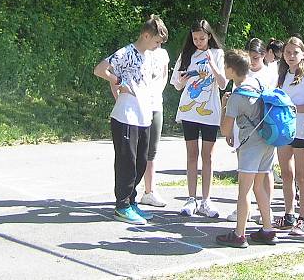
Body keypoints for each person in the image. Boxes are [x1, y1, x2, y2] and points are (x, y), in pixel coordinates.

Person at [94, 15, 168, 225]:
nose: (158, 46)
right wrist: (118, 82)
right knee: (126, 162)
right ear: (146, 35)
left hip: (143, 116)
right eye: (156, 41)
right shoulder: (126, 52)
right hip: (125, 116)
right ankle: (122, 206)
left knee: (141, 161)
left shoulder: (149, 55)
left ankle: (132, 201)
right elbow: (100, 69)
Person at [216, 50, 276, 247]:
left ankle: (239, 234)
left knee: (244, 190)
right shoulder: (258, 84)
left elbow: (225, 130)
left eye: (226, 66)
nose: (224, 69)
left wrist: (224, 105)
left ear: (232, 70)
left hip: (250, 146)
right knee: (259, 187)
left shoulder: (237, 95)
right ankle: (268, 229)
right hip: (268, 141)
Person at [170, 19, 227, 218]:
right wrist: (182, 80)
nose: (198, 42)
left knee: (208, 156)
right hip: (189, 111)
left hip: (210, 112)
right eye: (195, 38)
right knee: (191, 154)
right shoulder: (187, 54)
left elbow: (222, 84)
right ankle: (191, 198)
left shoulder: (218, 54)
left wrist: (212, 64)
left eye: (202, 38)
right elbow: (176, 85)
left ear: (209, 36)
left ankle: (206, 200)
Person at [273, 37, 304, 236]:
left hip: (302, 131)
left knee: (302, 175)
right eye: (288, 52)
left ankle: (303, 218)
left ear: (303, 55)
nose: (291, 56)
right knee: (286, 174)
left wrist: (291, 108)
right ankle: (289, 214)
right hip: (284, 132)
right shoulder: (282, 75)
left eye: (295, 53)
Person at [139, 41, 170, 207]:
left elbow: (164, 76)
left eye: (161, 41)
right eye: (156, 39)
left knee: (152, 150)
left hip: (156, 104)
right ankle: (128, 192)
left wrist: (156, 92)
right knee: (137, 149)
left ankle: (149, 191)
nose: (158, 43)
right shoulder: (140, 52)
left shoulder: (163, 54)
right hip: (140, 104)